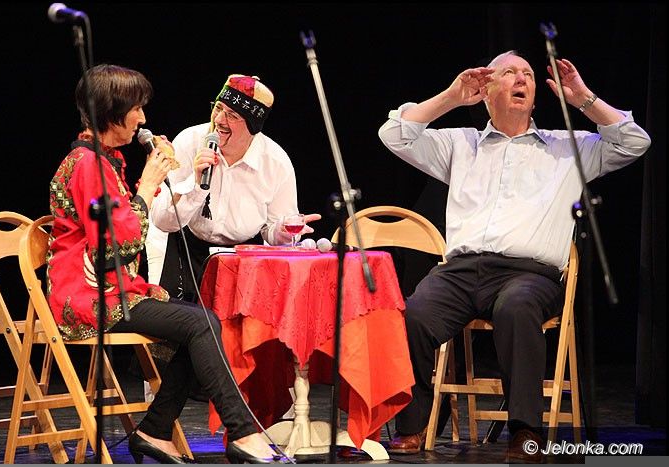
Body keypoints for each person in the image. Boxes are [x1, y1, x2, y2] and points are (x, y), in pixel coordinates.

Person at [378, 51, 650, 462]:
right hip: (460, 272)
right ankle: (413, 425)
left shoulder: (568, 148)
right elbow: (394, 134)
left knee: (516, 307)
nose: (521, 79)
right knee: (412, 314)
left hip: (530, 275)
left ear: (535, 95)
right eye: (509, 73)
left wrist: (583, 100)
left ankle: (525, 430)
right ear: (486, 92)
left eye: (528, 75)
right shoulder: (461, 144)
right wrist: (451, 98)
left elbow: (635, 141)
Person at [47, 64, 289, 464]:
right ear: (112, 113)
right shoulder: (88, 165)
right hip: (88, 297)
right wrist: (148, 185)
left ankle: (156, 430)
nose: (142, 118)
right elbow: (113, 251)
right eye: (136, 109)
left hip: (113, 291)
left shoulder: (104, 162)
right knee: (201, 323)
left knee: (202, 322)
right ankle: (242, 432)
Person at [149, 74, 320, 301]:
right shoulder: (189, 142)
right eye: (218, 108)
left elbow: (272, 232)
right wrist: (196, 184)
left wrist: (282, 232)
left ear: (252, 125)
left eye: (232, 115)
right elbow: (162, 222)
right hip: (187, 252)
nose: (219, 119)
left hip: (244, 260)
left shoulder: (276, 162)